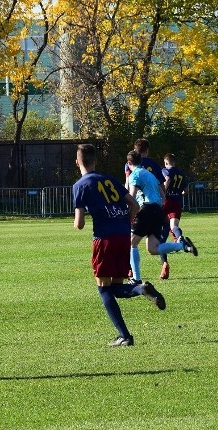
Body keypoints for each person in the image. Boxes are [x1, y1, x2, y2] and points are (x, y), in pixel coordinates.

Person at [73, 143, 166, 347]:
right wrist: (126, 222)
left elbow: (79, 224)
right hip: (122, 236)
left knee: (103, 289)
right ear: (95, 161)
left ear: (77, 162)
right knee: (116, 288)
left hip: (104, 239)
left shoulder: (80, 185)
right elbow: (134, 204)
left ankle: (125, 335)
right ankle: (140, 289)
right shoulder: (110, 179)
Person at [127, 150, 197, 284]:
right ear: (141, 161)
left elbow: (132, 197)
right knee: (153, 249)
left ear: (129, 163)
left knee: (132, 243)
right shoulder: (151, 175)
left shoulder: (134, 174)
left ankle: (136, 278)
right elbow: (163, 194)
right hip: (158, 210)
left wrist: (129, 214)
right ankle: (182, 246)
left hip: (147, 209)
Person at [159, 153, 188, 279]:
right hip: (177, 201)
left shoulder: (165, 171)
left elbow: (167, 180)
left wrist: (164, 192)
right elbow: (185, 191)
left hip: (166, 201)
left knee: (161, 235)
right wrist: (179, 192)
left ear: (166, 162)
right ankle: (179, 237)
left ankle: (165, 263)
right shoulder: (181, 173)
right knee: (174, 225)